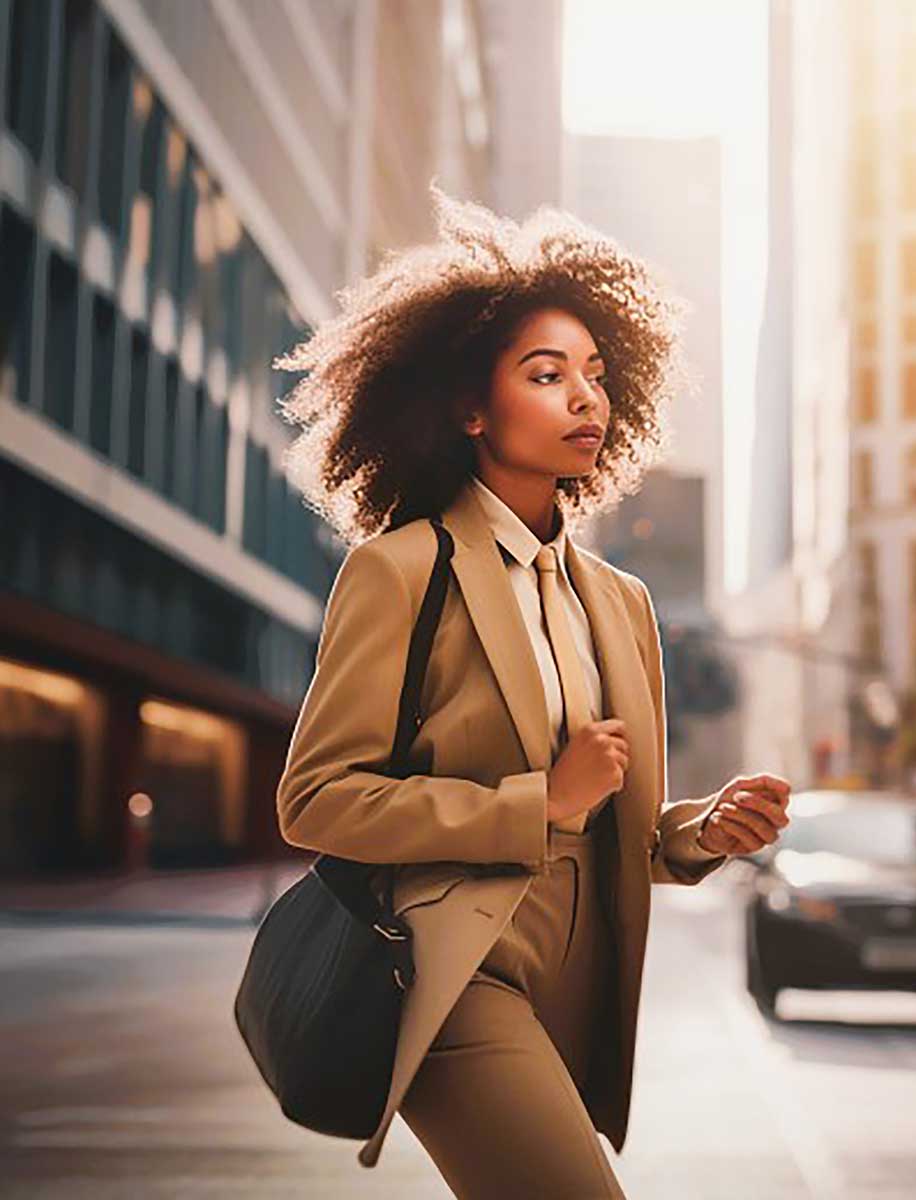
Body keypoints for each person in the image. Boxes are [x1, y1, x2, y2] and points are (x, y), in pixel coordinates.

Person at [273, 185, 792, 1197]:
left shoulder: (621, 603)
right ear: (468, 405)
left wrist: (702, 831)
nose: (584, 399)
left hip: (578, 985)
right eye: (547, 374)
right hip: (453, 972)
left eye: (596, 375)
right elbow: (315, 800)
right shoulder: (403, 570)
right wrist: (533, 803)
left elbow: (622, 830)